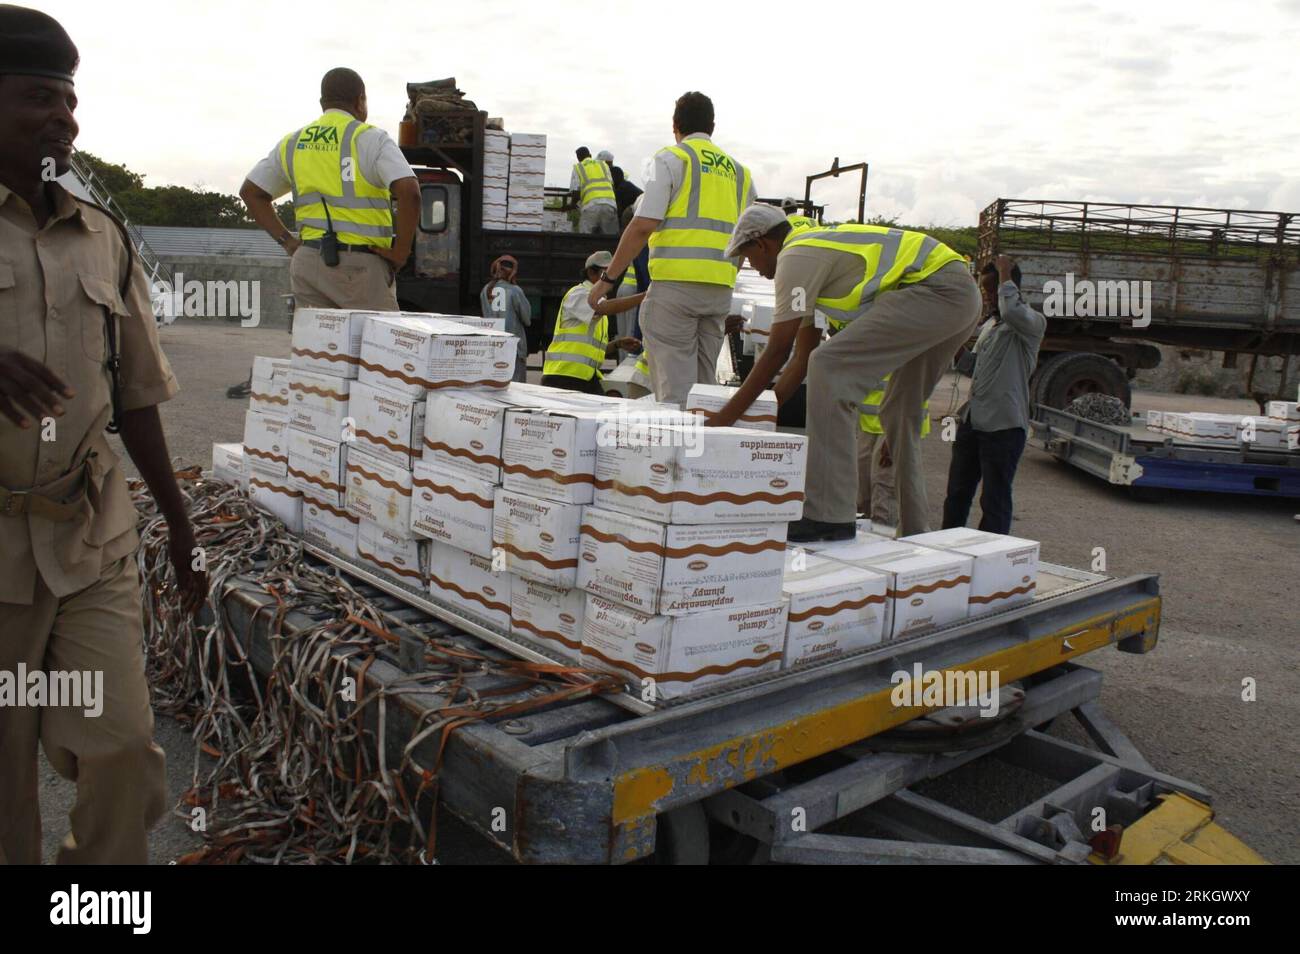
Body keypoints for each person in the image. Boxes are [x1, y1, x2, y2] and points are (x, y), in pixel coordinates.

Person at [0, 4, 209, 864]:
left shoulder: (105, 239)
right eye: (40, 98)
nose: (65, 118)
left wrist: (181, 523)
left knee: (123, 749)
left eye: (72, 101)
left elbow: (138, 398)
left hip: (90, 536)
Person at [704, 205, 980, 542]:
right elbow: (799, 358)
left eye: (747, 257)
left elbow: (778, 351)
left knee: (829, 366)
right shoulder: (809, 260)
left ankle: (828, 515)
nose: (751, 267)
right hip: (960, 298)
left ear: (762, 244)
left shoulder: (796, 257)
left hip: (936, 291)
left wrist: (722, 420)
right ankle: (915, 531)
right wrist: (761, 415)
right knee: (898, 409)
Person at [592, 92, 756, 405]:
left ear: (675, 125)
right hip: (719, 291)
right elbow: (746, 239)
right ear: (712, 126)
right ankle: (701, 452)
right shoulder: (741, 173)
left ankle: (675, 454)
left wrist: (606, 281)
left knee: (673, 395)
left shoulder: (669, 159)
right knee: (704, 391)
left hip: (675, 290)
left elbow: (642, 225)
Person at [239, 67, 419, 311]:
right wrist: (400, 252)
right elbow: (409, 191)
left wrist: (288, 242)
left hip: (308, 263)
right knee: (377, 346)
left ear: (323, 102)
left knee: (319, 348)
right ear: (360, 101)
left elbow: (251, 192)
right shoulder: (371, 139)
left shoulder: (293, 143)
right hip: (360, 268)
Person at [941, 255, 1045, 534]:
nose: (987, 297)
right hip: (973, 422)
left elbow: (1011, 309)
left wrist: (1004, 272)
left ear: (1009, 287)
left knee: (994, 500)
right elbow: (973, 367)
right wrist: (954, 343)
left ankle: (991, 556)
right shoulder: (990, 327)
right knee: (957, 494)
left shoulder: (1032, 324)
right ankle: (946, 549)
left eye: (990, 290)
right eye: (984, 291)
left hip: (1004, 427)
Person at [542, 251, 643, 394]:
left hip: (584, 377)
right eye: (606, 273)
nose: (611, 277)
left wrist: (617, 344)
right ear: (591, 273)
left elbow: (590, 349)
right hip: (563, 376)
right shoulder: (579, 294)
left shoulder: (597, 301)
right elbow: (605, 308)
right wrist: (645, 296)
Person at [856, 375, 930, 530]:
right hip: (869, 422)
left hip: (898, 420)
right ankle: (866, 540)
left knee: (884, 490)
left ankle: (883, 540)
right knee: (863, 493)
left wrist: (896, 433)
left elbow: (915, 383)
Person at [479, 255, 532, 382]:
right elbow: (527, 319)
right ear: (512, 273)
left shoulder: (485, 290)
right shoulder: (515, 291)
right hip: (514, 348)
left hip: (492, 347)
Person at [569, 147, 617, 235]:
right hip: (609, 205)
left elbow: (576, 192)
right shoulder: (603, 165)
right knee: (610, 239)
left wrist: (572, 205)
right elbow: (612, 186)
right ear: (590, 155)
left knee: (585, 237)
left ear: (578, 158)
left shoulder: (578, 167)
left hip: (590, 206)